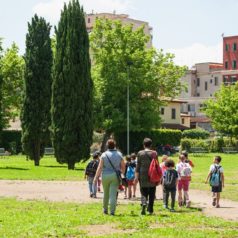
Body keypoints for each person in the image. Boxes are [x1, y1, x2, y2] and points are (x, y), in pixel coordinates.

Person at [93, 139, 125, 215]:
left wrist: (96, 177)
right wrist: (122, 174)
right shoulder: (119, 154)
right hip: (115, 176)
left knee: (105, 193)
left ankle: (105, 210)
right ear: (115, 145)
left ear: (107, 146)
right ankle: (112, 211)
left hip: (105, 175)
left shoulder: (103, 155)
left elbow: (100, 167)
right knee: (113, 194)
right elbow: (123, 166)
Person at [134, 138, 158, 215]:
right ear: (151, 145)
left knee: (143, 190)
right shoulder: (154, 153)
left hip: (142, 174)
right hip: (152, 174)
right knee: (152, 191)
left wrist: (136, 177)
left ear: (143, 145)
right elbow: (157, 165)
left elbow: (138, 166)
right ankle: (150, 210)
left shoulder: (140, 153)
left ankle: (144, 202)